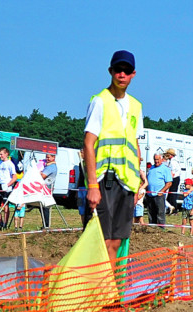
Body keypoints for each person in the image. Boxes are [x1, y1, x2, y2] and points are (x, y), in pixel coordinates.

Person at [82, 49, 146, 261]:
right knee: (100, 240)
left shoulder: (136, 106)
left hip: (126, 184)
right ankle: (98, 290)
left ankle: (109, 291)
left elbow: (135, 146)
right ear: (110, 71)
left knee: (117, 241)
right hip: (104, 182)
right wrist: (92, 186)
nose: (122, 75)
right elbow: (88, 144)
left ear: (133, 74)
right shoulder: (100, 101)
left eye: (126, 71)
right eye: (118, 70)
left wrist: (137, 182)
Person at [145, 152, 173, 227]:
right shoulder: (151, 168)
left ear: (161, 159)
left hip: (159, 195)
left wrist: (162, 191)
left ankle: (161, 229)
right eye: (155, 159)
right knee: (151, 213)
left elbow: (169, 183)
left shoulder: (165, 169)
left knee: (160, 213)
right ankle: (152, 228)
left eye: (158, 159)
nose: (156, 161)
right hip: (150, 194)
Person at [0, 147, 17, 226]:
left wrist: (7, 185)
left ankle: (5, 224)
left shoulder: (10, 164)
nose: (0, 156)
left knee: (5, 205)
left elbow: (15, 177)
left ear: (6, 154)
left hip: (6, 186)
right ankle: (0, 222)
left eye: (1, 154)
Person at [40, 152, 58, 228]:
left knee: (45, 207)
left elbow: (42, 176)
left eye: (49, 157)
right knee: (42, 207)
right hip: (45, 188)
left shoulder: (51, 167)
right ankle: (45, 224)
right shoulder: (48, 166)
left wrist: (39, 172)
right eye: (46, 157)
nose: (47, 159)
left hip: (47, 189)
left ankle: (46, 225)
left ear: (53, 158)